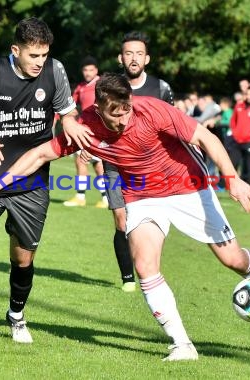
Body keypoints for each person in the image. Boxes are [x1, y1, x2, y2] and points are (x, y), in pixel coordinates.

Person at [0, 73, 250, 361]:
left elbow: (205, 139)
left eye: (126, 109)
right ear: (98, 109)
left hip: (188, 188)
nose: (124, 117)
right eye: (115, 113)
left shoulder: (152, 110)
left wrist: (232, 178)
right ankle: (182, 345)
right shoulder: (85, 128)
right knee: (144, 267)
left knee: (232, 259)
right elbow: (40, 154)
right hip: (142, 197)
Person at [0, 17, 90, 342]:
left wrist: (73, 123)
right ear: (16, 49)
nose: (40, 62)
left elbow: (67, 112)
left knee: (22, 259)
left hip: (31, 185)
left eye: (44, 55)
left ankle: (16, 316)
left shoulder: (55, 71)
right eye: (33, 55)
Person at [104, 31, 174, 292]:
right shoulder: (109, 86)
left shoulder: (161, 88)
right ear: (120, 58)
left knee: (149, 222)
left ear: (147, 59)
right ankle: (127, 279)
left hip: (151, 167)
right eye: (129, 53)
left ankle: (149, 269)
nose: (134, 58)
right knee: (121, 220)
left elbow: (174, 126)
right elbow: (98, 121)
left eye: (139, 54)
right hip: (115, 164)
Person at [63, 56, 108, 208]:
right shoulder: (81, 87)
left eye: (91, 70)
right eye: (85, 70)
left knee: (82, 161)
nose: (88, 73)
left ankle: (81, 197)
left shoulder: (102, 85)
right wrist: (59, 116)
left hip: (96, 132)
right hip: (84, 131)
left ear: (96, 70)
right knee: (97, 165)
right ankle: (106, 198)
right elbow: (70, 104)